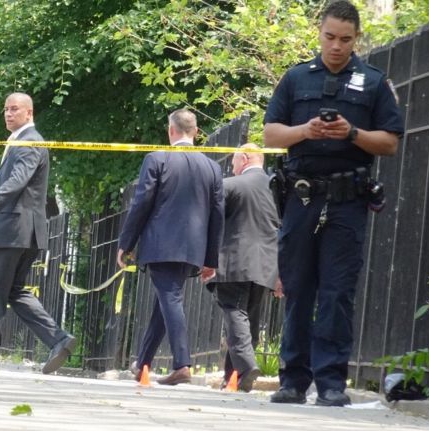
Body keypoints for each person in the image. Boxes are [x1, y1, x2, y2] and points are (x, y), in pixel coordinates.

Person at [264, 0, 404, 407]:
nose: (337, 46)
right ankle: (292, 380)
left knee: (337, 292)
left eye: (345, 39)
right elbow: (271, 135)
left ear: (356, 38)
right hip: (302, 196)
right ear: (319, 34)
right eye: (329, 38)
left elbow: (391, 142)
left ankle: (331, 382)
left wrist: (352, 133)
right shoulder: (294, 79)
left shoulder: (374, 82)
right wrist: (305, 130)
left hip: (347, 201)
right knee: (297, 288)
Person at [0, 92, 76, 373]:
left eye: (14, 109)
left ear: (29, 113)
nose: (8, 114)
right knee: (14, 291)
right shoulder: (21, 141)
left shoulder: (29, 142)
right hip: (23, 231)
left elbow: (16, 182)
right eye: (5, 109)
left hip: (13, 230)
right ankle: (59, 339)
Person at [118, 108, 224, 386]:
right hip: (193, 248)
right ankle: (142, 363)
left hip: (161, 244)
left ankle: (182, 363)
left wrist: (126, 243)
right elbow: (217, 215)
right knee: (165, 302)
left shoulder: (157, 159)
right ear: (196, 133)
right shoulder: (212, 168)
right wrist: (211, 258)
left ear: (171, 131)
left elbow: (141, 203)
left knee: (170, 299)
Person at [207, 143, 280, 392]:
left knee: (234, 311)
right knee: (247, 317)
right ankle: (233, 378)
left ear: (245, 158)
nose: (232, 167)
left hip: (235, 261)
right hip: (266, 266)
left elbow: (211, 222)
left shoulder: (230, 185)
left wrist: (206, 260)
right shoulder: (275, 188)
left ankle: (247, 366)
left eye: (235, 161)